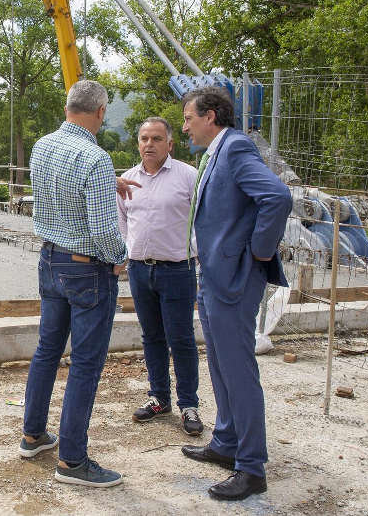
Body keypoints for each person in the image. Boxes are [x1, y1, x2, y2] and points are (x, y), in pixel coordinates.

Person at [180, 87, 291, 501]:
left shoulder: (236, 147)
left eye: (189, 117)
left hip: (233, 278)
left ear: (211, 116)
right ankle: (226, 442)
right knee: (222, 366)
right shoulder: (215, 153)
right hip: (211, 276)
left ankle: (251, 466)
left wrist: (258, 252)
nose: (185, 125)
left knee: (238, 370)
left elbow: (277, 197)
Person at [20, 79, 126, 488]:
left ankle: (33, 435)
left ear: (68, 107)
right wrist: (121, 258)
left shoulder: (43, 146)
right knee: (85, 362)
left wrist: (105, 185)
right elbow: (103, 230)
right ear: (100, 112)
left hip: (49, 259)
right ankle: (72, 460)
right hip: (86, 269)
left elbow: (55, 193)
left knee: (47, 350)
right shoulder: (96, 159)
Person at [117, 117, 204, 436]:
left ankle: (188, 404)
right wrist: (127, 251)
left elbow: (202, 218)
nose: (149, 144)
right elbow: (122, 220)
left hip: (177, 270)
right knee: (151, 336)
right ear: (137, 143)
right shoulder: (127, 179)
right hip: (141, 270)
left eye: (156, 138)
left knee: (181, 339)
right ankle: (158, 397)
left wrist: (191, 249)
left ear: (170, 143)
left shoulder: (188, 177)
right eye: (143, 138)